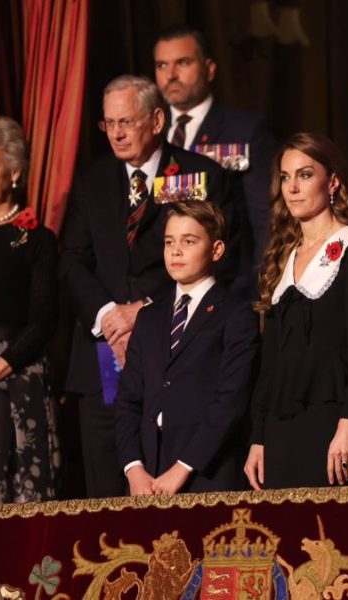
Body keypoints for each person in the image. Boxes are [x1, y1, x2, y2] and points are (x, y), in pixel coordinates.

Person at [60, 75, 235, 498]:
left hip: (175, 351)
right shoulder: (91, 179)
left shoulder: (202, 174)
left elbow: (226, 262)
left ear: (157, 120)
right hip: (101, 353)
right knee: (104, 493)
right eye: (108, 124)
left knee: (166, 496)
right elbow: (72, 260)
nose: (116, 133)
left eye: (126, 122)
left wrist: (142, 311)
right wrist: (109, 316)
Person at [243, 132, 348, 489]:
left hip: (332, 422)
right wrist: (257, 439)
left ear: (332, 181)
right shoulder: (283, 256)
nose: (292, 187)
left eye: (305, 175)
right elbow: (270, 362)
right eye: (285, 177)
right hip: (279, 428)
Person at [115, 202, 258, 495]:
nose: (175, 251)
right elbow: (128, 400)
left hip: (205, 475)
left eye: (188, 241)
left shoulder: (236, 314)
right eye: (169, 242)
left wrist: (183, 467)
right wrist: (134, 468)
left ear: (216, 250)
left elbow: (230, 402)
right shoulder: (149, 316)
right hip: (148, 477)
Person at [154, 25, 276, 281]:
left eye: (182, 63)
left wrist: (256, 293)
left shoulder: (245, 130)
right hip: (160, 291)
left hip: (227, 285)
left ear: (209, 69)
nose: (171, 75)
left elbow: (266, 221)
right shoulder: (149, 133)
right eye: (162, 66)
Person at [0, 117, 61, 503]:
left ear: (15, 171)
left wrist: (1, 365)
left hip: (17, 374)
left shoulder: (36, 239)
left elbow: (43, 321)